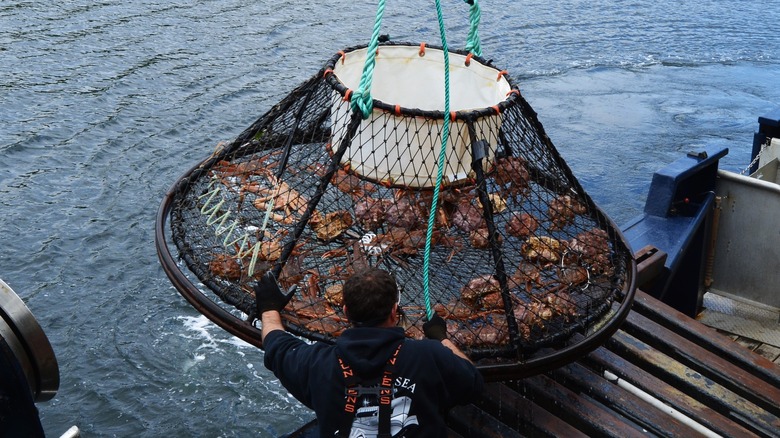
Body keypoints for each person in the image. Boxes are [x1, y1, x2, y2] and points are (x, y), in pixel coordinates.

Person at [255, 266, 484, 437]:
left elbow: (276, 343)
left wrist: (268, 308)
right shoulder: (429, 356)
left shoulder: (316, 363)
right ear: (394, 311)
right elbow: (473, 382)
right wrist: (440, 337)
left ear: (345, 312)